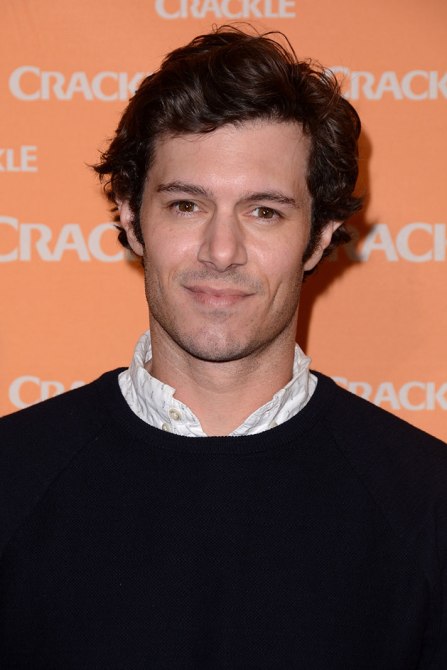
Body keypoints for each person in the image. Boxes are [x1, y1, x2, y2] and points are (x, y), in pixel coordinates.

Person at [1, 25, 446, 670]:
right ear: (130, 216)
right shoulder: (12, 480)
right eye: (186, 205)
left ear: (320, 237)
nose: (221, 250)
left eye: (264, 211)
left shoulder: (426, 503)